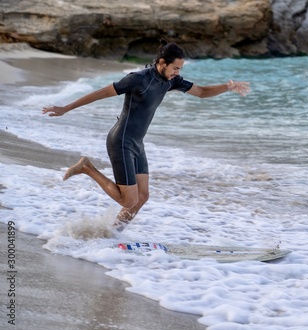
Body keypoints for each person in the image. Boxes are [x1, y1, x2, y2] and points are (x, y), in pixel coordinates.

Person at [42, 40, 250, 232]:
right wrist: (66, 108)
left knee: (142, 197)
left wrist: (227, 87)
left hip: (137, 143)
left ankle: (114, 233)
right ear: (162, 63)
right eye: (175, 67)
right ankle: (86, 167)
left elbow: (202, 92)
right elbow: (102, 93)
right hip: (121, 141)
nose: (177, 72)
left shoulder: (171, 81)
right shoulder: (138, 79)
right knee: (128, 200)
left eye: (180, 69)